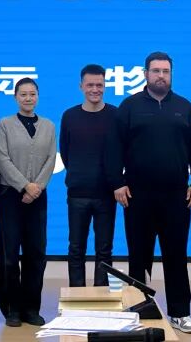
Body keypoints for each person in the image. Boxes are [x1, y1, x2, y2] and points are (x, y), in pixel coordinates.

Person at [114, 52, 191, 334]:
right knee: (138, 256)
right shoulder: (129, 107)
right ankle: (138, 311)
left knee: (176, 256)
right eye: (156, 71)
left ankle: (180, 313)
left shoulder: (185, 108)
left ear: (171, 74)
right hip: (137, 196)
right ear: (146, 74)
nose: (161, 76)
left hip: (176, 197)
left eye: (166, 71)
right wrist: (117, 182)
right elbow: (114, 148)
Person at [0, 77, 56, 328]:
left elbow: (51, 159)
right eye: (23, 94)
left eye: (32, 94)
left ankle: (31, 308)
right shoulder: (4, 124)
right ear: (15, 97)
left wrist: (35, 187)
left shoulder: (49, 126)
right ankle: (12, 309)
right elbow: (2, 159)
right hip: (10, 196)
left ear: (38, 96)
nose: (28, 98)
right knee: (9, 255)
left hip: (38, 197)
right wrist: (24, 186)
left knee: (36, 254)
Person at [60, 64, 121, 287]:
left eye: (99, 85)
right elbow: (65, 152)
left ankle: (101, 297)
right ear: (81, 86)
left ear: (105, 86)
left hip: (106, 194)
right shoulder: (69, 116)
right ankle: (77, 296)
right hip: (77, 193)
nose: (95, 89)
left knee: (104, 250)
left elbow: (122, 152)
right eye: (90, 85)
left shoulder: (116, 115)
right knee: (76, 248)